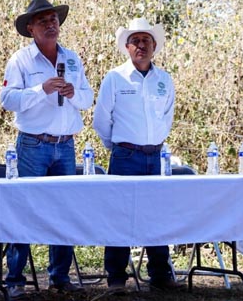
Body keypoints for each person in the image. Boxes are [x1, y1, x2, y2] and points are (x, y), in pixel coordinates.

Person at [0, 0, 94, 299]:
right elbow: (7, 100)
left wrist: (72, 93)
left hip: (65, 144)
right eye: (43, 21)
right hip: (32, 144)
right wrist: (42, 90)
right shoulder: (20, 61)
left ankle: (59, 277)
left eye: (54, 19)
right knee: (23, 209)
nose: (51, 25)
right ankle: (15, 278)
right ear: (31, 28)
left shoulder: (73, 59)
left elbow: (88, 99)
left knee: (63, 210)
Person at [93, 17, 179, 294]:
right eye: (136, 41)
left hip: (155, 157)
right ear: (127, 47)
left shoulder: (164, 79)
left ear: (154, 46)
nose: (141, 45)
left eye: (146, 41)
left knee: (156, 216)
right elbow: (101, 120)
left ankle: (160, 274)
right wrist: (118, 147)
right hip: (125, 156)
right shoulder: (115, 78)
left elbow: (167, 117)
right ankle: (116, 277)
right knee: (119, 215)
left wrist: (153, 143)